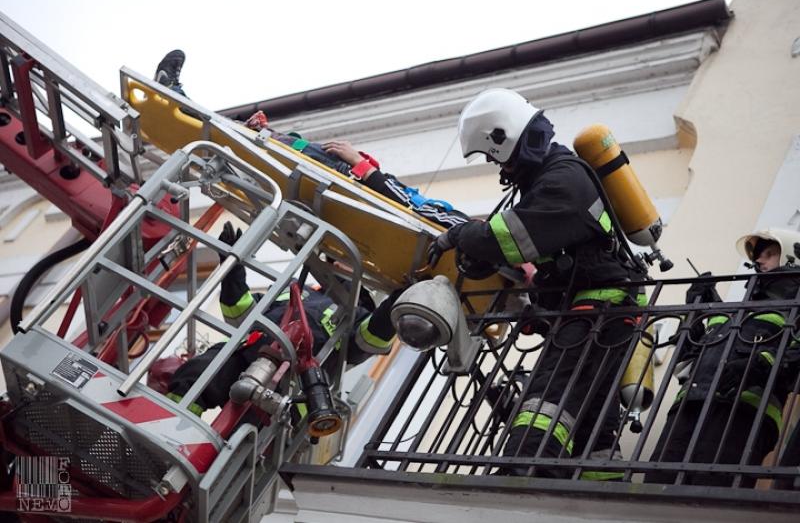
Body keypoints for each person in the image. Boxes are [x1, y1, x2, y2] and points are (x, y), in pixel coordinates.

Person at [428, 88, 645, 479]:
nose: (498, 166)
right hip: (602, 305)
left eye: (494, 155)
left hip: (600, 304)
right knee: (593, 409)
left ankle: (523, 472)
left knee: (548, 396)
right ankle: (599, 484)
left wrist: (457, 235)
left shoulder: (563, 180)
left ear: (505, 137)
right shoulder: (550, 179)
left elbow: (507, 238)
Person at [154, 50, 469, 229]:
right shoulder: (463, 233)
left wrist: (361, 165)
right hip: (351, 191)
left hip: (348, 182)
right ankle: (197, 108)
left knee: (262, 143)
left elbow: (409, 207)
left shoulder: (460, 227)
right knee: (265, 143)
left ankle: (182, 101)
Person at [165, 221, 402, 413]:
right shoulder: (296, 287)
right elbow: (240, 312)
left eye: (347, 262)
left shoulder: (361, 314)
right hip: (248, 353)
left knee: (257, 429)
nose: (338, 264)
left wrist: (398, 302)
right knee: (199, 372)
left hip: (292, 385)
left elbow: (371, 339)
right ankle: (171, 430)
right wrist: (233, 268)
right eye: (336, 259)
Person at [647, 228, 800, 487]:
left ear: (791, 259)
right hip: (689, 406)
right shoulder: (730, 314)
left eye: (769, 254)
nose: (759, 260)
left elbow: (795, 357)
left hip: (744, 413)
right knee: (657, 487)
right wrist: (695, 311)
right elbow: (685, 362)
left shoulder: (794, 312)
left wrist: (758, 365)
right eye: (758, 255)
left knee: (709, 492)